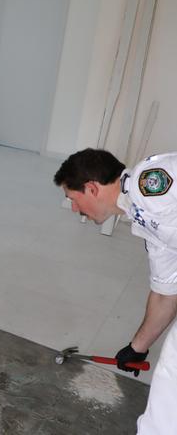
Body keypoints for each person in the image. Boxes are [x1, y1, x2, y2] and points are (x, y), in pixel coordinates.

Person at [54, 148, 177, 434]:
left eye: (73, 199)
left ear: (92, 188)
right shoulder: (146, 223)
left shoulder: (150, 185)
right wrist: (137, 348)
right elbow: (166, 294)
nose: (74, 209)